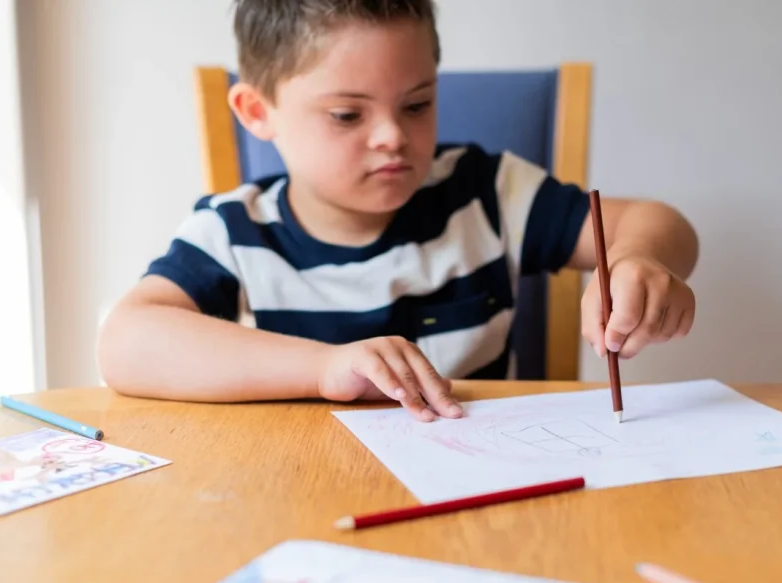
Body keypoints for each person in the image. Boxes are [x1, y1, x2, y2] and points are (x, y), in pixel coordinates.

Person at [97, 0, 698, 423]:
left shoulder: (487, 193)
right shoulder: (234, 231)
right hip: (298, 493)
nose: (392, 136)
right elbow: (125, 342)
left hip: (484, 490)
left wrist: (638, 259)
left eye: (416, 105)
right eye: (347, 115)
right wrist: (323, 368)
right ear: (258, 112)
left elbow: (657, 221)